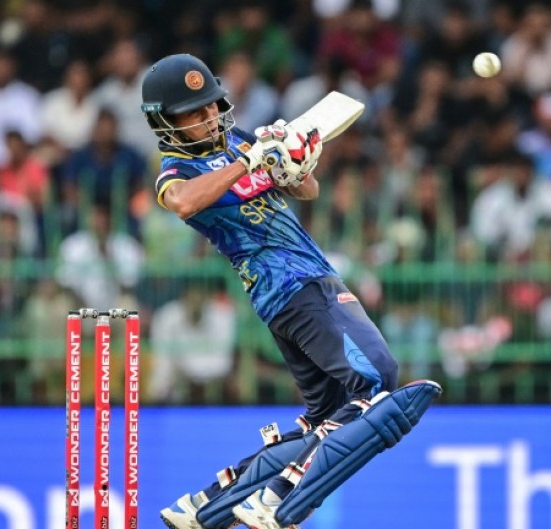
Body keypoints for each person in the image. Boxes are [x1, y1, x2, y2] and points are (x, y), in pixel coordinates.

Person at [143, 54, 425, 529]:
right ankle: (278, 495)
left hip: (299, 288)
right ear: (166, 123)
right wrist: (248, 162)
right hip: (294, 286)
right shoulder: (176, 172)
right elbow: (185, 203)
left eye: (210, 106)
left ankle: (210, 502)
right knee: (377, 378)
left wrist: (292, 162)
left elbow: (307, 190)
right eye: (193, 113)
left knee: (330, 414)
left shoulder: (239, 140)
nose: (208, 117)